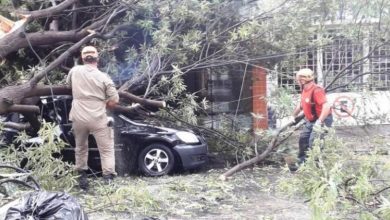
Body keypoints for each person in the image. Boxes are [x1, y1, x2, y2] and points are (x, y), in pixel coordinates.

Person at [66, 46, 119, 190]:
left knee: (80, 148)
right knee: (106, 149)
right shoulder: (104, 77)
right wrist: (104, 103)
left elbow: (68, 86)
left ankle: (82, 180)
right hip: (98, 117)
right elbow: (114, 100)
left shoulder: (74, 71)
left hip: (78, 117)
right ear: (97, 58)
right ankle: (108, 180)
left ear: (82, 58)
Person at [291, 68, 333, 168]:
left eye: (298, 80)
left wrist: (320, 121)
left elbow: (326, 106)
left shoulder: (317, 90)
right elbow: (301, 105)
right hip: (311, 120)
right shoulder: (304, 89)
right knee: (303, 139)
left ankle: (317, 167)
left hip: (322, 120)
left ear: (303, 80)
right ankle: (302, 163)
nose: (297, 82)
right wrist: (293, 116)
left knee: (314, 142)